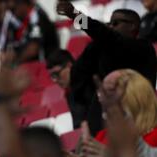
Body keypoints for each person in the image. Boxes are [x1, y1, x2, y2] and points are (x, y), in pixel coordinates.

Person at [57, 1, 157, 135]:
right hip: (103, 125)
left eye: (115, 23)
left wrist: (76, 16)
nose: (111, 27)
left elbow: (107, 36)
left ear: (132, 26)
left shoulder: (142, 47)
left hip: (136, 122)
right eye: (109, 24)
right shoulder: (104, 49)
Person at [46, 50, 86, 128]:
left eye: (57, 74)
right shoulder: (69, 94)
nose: (55, 80)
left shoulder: (89, 86)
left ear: (69, 66)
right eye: (52, 76)